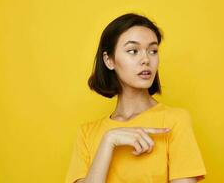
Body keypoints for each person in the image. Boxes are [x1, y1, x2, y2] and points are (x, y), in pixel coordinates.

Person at [65, 13, 206, 183]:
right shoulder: (87, 134)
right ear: (109, 60)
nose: (146, 59)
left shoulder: (175, 121)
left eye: (153, 51)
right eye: (133, 51)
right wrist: (109, 140)